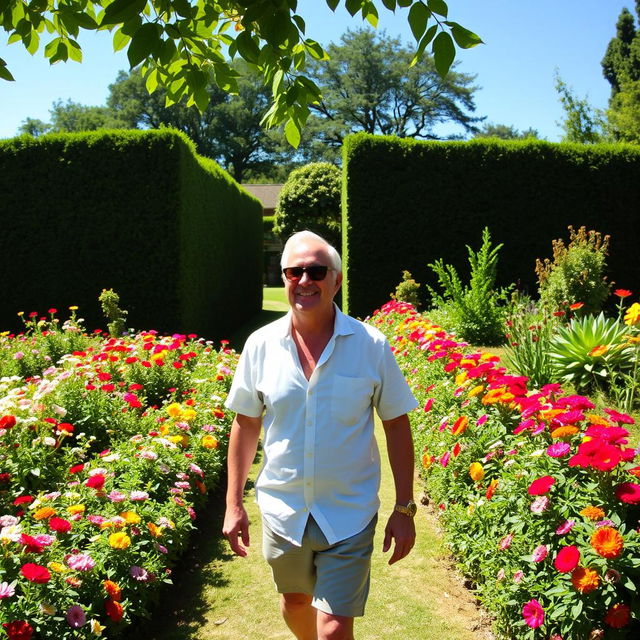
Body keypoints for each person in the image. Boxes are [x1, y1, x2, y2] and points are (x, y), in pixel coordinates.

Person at [222, 230, 418, 640]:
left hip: (348, 511)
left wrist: (404, 509)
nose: (304, 280)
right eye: (294, 271)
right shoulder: (260, 346)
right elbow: (245, 423)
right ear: (284, 278)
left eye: (316, 270)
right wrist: (233, 504)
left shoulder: (370, 346)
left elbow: (396, 424)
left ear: (337, 280)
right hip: (283, 508)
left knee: (332, 629)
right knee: (294, 603)